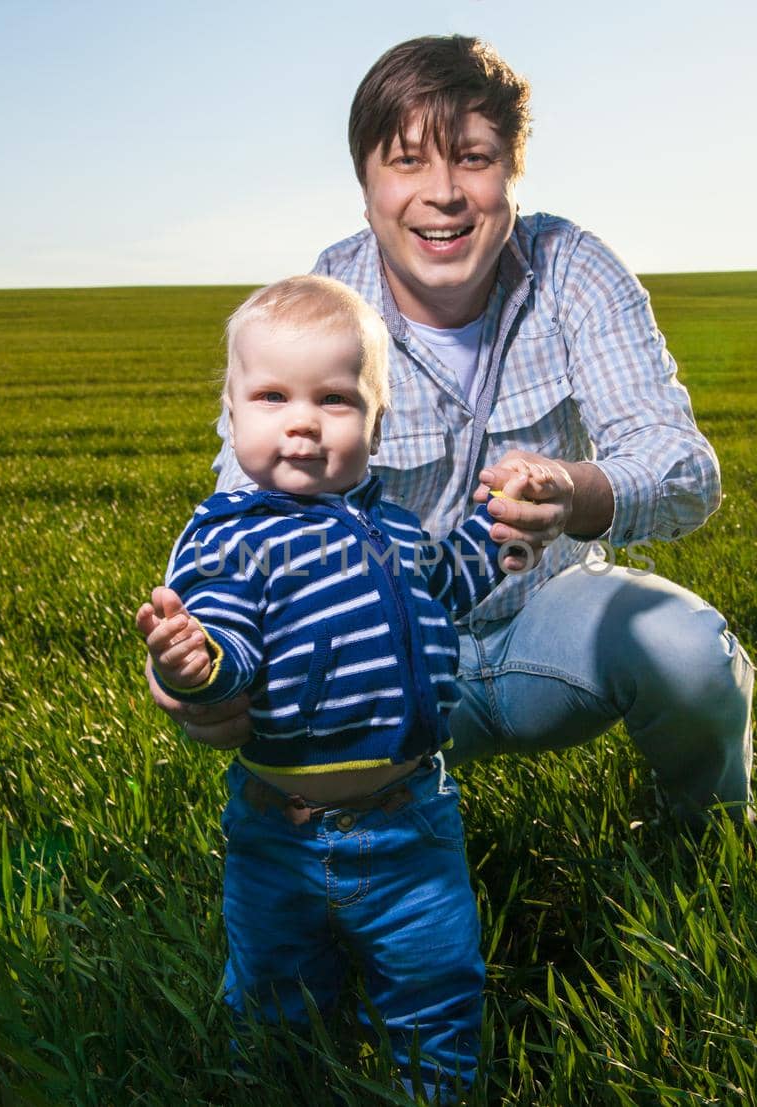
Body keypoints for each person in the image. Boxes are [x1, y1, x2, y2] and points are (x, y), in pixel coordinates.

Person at [141, 33, 754, 833]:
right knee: (292, 754)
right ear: (365, 187)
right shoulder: (324, 304)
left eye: (473, 157)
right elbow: (238, 502)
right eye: (406, 162)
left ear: (512, 173)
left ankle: (702, 846)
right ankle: (341, 882)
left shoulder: (574, 267)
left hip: (549, 615)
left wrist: (575, 492)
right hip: (380, 653)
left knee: (688, 650)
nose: (444, 194)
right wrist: (199, 667)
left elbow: (682, 468)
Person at [139, 275, 566, 1099]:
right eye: (271, 396)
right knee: (275, 998)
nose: (302, 421)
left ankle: (434, 1087)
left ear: (377, 421)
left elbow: (445, 583)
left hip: (413, 823)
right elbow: (225, 641)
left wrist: (501, 522)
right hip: (281, 838)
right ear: (231, 415)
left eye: (334, 399)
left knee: (439, 986)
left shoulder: (398, 526)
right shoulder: (231, 538)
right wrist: (189, 661)